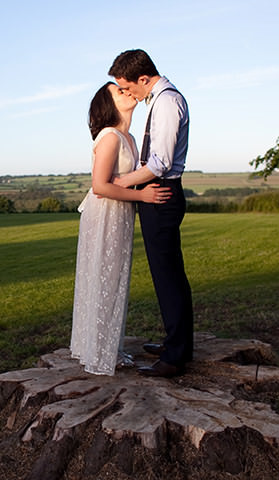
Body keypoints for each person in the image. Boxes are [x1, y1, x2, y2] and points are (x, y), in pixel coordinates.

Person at [70, 81, 171, 376]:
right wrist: (143, 195)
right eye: (118, 91)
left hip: (120, 213)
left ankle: (105, 346)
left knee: (114, 278)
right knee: (104, 277)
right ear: (108, 104)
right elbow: (99, 186)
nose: (126, 92)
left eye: (125, 88)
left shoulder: (128, 137)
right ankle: (99, 352)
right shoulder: (110, 136)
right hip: (104, 214)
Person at [108, 49, 194, 377]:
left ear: (144, 78)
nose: (128, 93)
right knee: (165, 274)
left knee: (168, 275)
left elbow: (160, 163)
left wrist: (119, 182)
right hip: (154, 193)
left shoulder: (168, 102)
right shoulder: (158, 100)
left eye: (129, 87)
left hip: (161, 193)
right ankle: (177, 342)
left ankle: (175, 357)